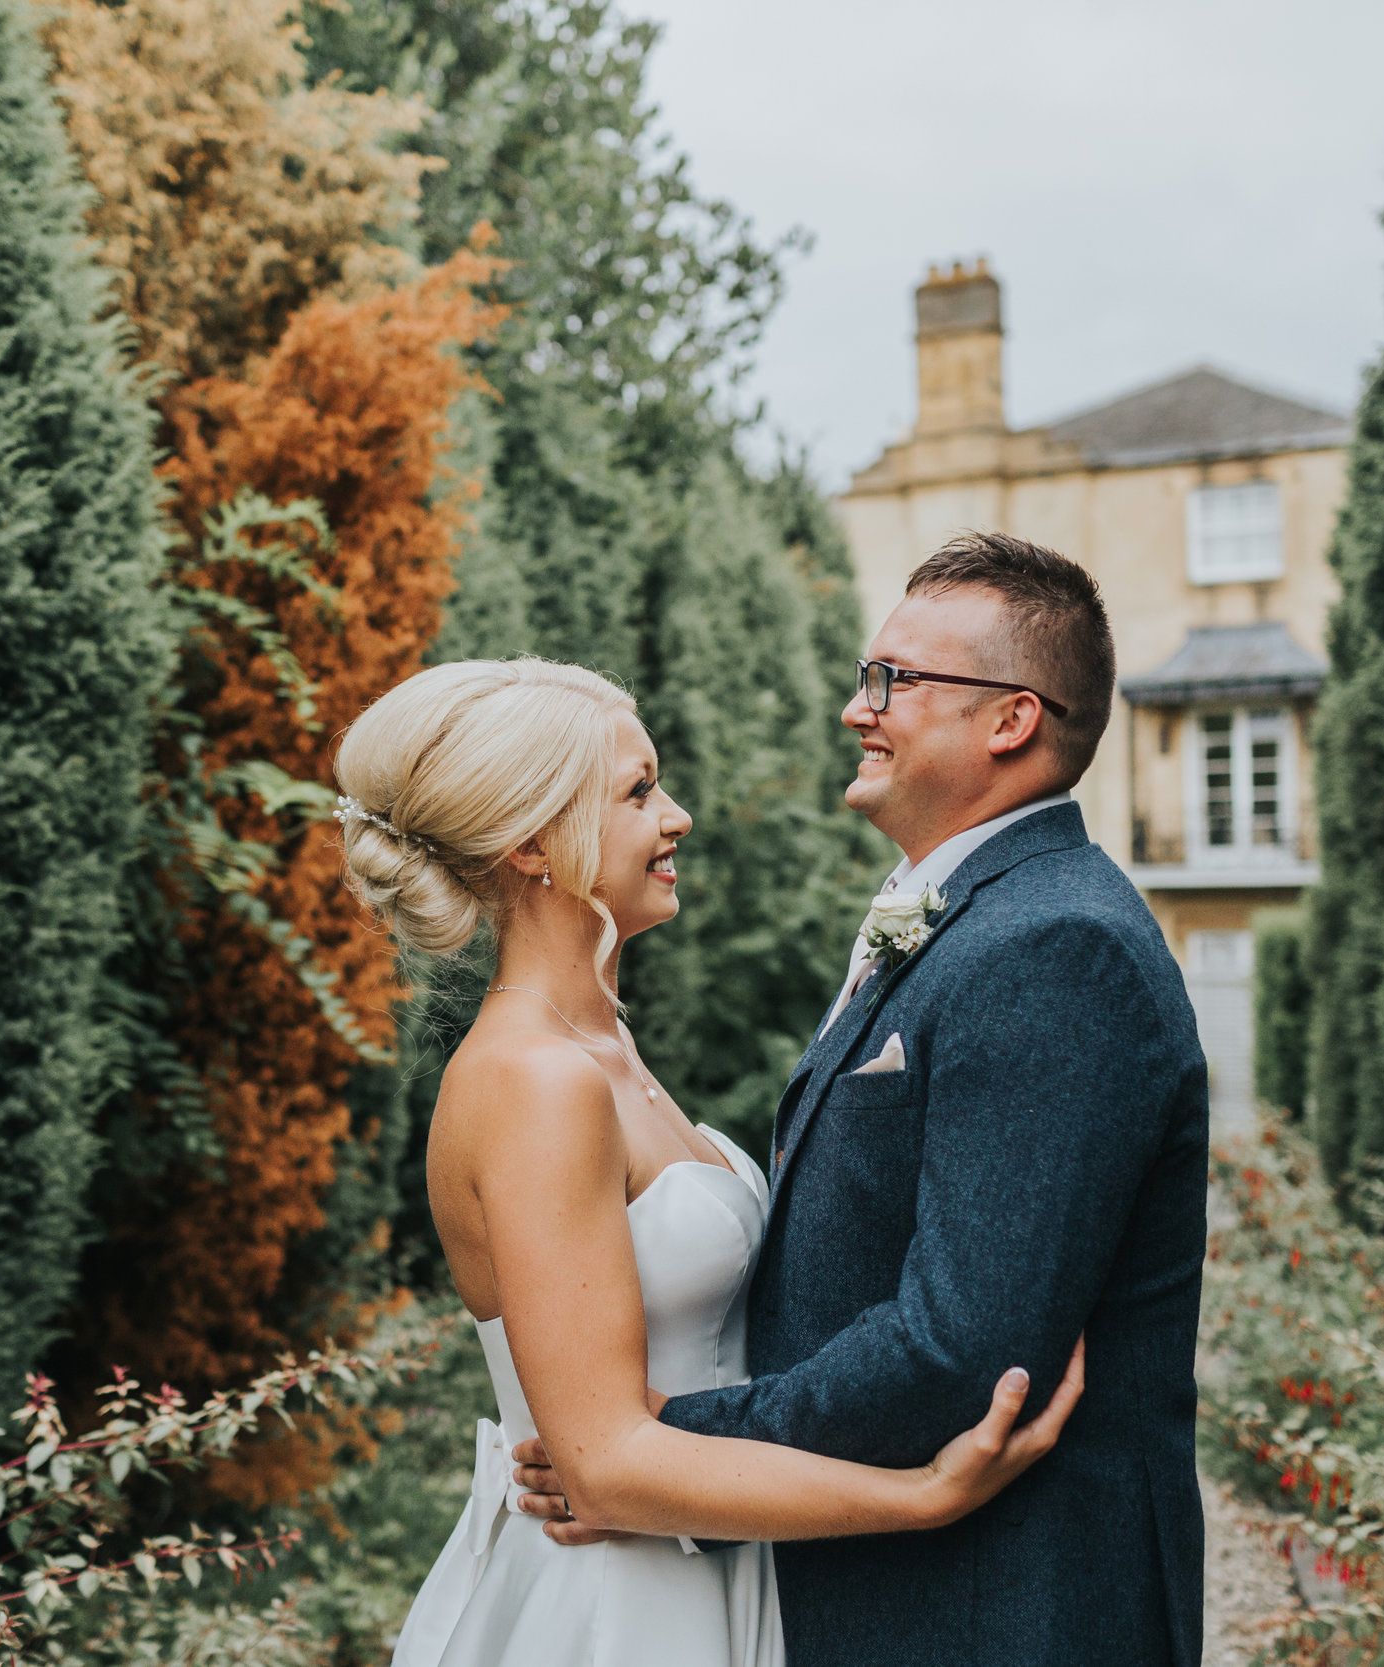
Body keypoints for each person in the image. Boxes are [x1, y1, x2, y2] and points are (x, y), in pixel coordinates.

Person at [513, 532, 1209, 1665]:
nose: (856, 707)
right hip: (899, 1595)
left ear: (1010, 718)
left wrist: (657, 1458)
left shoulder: (1056, 944)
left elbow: (960, 1347)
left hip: (1001, 1608)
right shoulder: (971, 915)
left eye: (895, 679)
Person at [333, 657, 1086, 1667]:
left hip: (715, 1564)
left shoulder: (604, 1049)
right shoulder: (533, 1078)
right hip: (618, 1603)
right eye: (639, 791)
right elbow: (601, 1464)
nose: (676, 815)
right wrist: (922, 1493)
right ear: (530, 844)